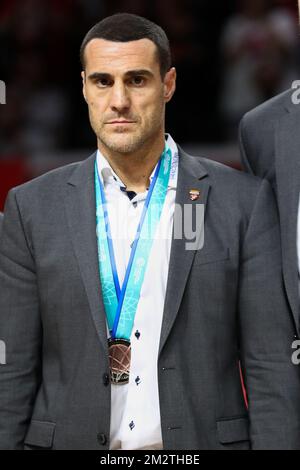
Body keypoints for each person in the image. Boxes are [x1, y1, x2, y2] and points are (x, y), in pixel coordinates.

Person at [0, 13, 299, 451]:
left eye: (137, 80)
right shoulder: (31, 208)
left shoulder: (244, 203)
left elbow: (271, 366)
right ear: (84, 87)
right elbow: (12, 372)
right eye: (103, 81)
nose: (118, 100)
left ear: (169, 84)